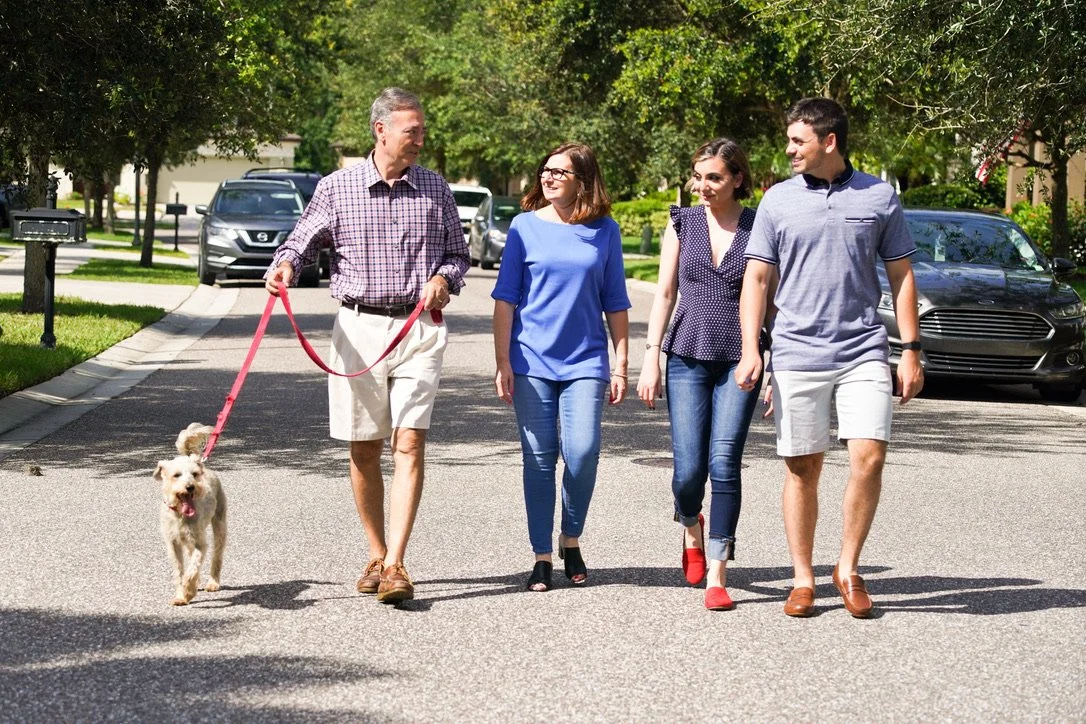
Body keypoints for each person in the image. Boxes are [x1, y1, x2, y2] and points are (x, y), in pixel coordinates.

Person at [265, 87, 469, 603]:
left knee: (410, 441)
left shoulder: (436, 188)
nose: (420, 139)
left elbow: (457, 254)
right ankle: (376, 552)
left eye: (422, 130)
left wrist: (444, 278)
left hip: (419, 329)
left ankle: (398, 563)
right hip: (358, 329)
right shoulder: (338, 187)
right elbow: (302, 240)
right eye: (412, 130)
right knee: (363, 448)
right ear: (380, 130)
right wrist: (285, 265)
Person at [735, 97, 924, 619]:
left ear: (829, 141)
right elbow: (756, 278)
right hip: (797, 350)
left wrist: (910, 349)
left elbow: (902, 275)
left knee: (870, 456)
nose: (789, 148)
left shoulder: (880, 197)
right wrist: (753, 347)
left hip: (863, 347)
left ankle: (848, 567)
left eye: (798, 140)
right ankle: (802, 578)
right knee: (803, 467)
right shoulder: (776, 202)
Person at [492, 142, 631, 592]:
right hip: (530, 360)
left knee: (584, 451)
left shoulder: (605, 231)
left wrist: (622, 361)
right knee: (538, 459)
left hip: (586, 360)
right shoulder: (523, 227)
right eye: (545, 170)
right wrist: (502, 363)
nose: (548, 177)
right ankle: (541, 556)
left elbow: (616, 300)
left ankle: (571, 537)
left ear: (582, 180)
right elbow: (505, 299)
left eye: (560, 172)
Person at [636, 138, 766, 611]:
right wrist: (651, 355)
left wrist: (772, 365)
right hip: (687, 353)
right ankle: (691, 525)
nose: (703, 186)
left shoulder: (758, 226)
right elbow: (665, 293)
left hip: (739, 356)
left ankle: (717, 571)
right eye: (698, 176)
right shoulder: (682, 222)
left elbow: (770, 299)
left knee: (724, 462)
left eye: (713, 177)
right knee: (689, 470)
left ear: (736, 179)